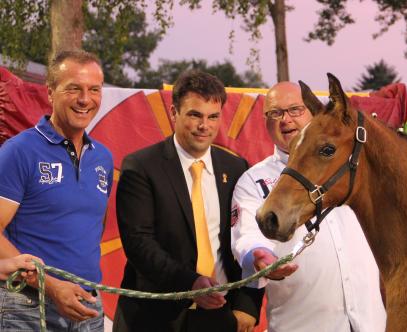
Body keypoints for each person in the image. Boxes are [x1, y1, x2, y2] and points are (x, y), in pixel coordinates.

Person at [114, 70, 264, 332]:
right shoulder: (140, 167)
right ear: (174, 113)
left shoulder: (237, 168)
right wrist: (191, 283)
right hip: (154, 319)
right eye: (195, 115)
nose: (204, 126)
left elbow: (249, 237)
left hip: (219, 318)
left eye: (213, 117)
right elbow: (139, 244)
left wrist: (247, 305)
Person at [231, 82, 387, 331]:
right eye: (275, 112)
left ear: (312, 113)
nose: (286, 120)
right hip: (302, 324)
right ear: (265, 121)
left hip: (371, 323)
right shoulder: (253, 180)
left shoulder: (352, 168)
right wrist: (258, 254)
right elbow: (246, 236)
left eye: (295, 109)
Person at [0, 50, 113, 331]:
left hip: (87, 306)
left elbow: (89, 229)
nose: (85, 99)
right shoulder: (19, 151)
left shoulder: (103, 158)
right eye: (74, 88)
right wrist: (50, 286)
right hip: (27, 306)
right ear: (50, 92)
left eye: (94, 90)